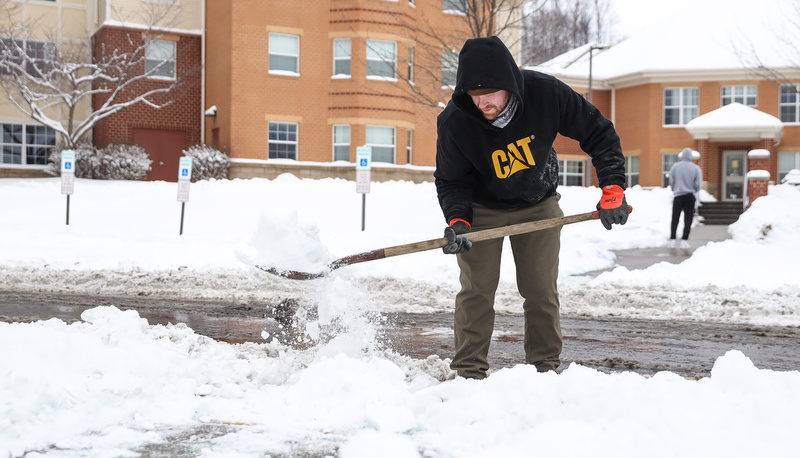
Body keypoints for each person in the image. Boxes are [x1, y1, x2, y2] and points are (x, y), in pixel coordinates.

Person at [434, 36, 629, 380]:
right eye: (474, 96)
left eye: (489, 94)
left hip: (538, 203)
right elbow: (452, 180)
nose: (482, 103)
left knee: (540, 290)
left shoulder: (545, 93)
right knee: (476, 291)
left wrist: (612, 188)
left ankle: (544, 369)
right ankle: (469, 371)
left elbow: (598, 132)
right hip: (481, 210)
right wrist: (459, 221)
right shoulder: (455, 121)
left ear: (509, 84)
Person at [668, 147, 703, 249]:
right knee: (688, 219)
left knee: (675, 218)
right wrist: (692, 189)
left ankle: (672, 240)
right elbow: (698, 184)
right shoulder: (696, 168)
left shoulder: (675, 167)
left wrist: (676, 189)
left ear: (682, 156)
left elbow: (671, 182)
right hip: (690, 196)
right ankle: (684, 241)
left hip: (678, 196)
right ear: (691, 157)